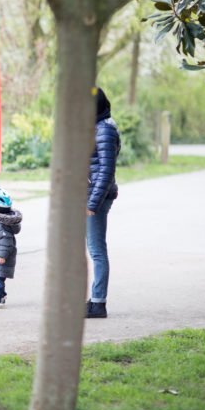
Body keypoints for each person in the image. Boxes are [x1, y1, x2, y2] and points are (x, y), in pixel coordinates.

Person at [86, 87, 121, 319]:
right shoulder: (96, 127)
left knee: (97, 250)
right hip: (88, 196)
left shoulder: (105, 130)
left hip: (96, 200)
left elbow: (106, 171)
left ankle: (98, 303)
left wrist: (92, 204)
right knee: (92, 249)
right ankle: (93, 300)